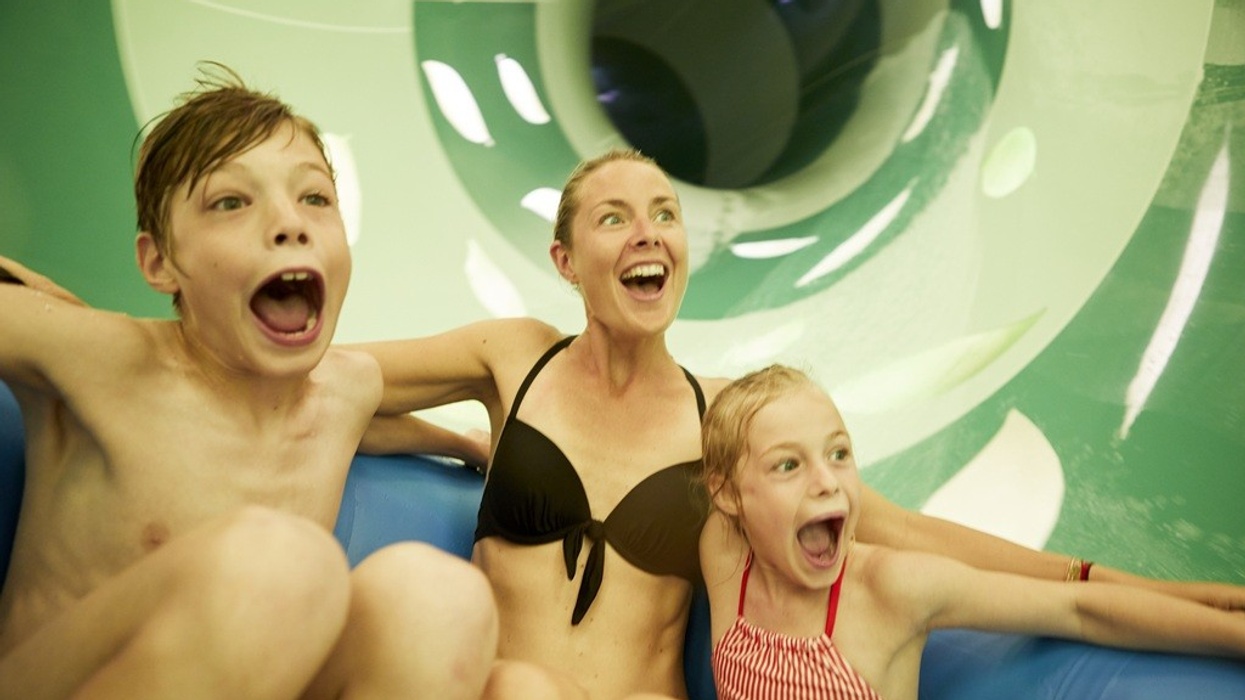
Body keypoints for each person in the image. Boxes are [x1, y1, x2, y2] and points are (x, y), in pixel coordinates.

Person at [357, 148, 1245, 699]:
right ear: (565, 259)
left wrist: (1152, 586)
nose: (648, 234)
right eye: (614, 218)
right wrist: (460, 440)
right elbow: (330, 380)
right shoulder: (513, 358)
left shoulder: (728, 424)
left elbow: (902, 530)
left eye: (665, 214)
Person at [0, 65, 495, 699]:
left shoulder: (344, 391)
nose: (290, 224)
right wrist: (52, 304)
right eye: (230, 202)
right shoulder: (97, 357)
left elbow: (369, 424)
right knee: (282, 563)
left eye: (314, 197)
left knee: (441, 597)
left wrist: (467, 446)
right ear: (160, 262)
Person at [698, 364, 1245, 700]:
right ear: (726, 494)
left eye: (839, 453)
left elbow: (1077, 609)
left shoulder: (887, 589)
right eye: (787, 466)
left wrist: (1222, 621)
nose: (826, 482)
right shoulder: (723, 554)